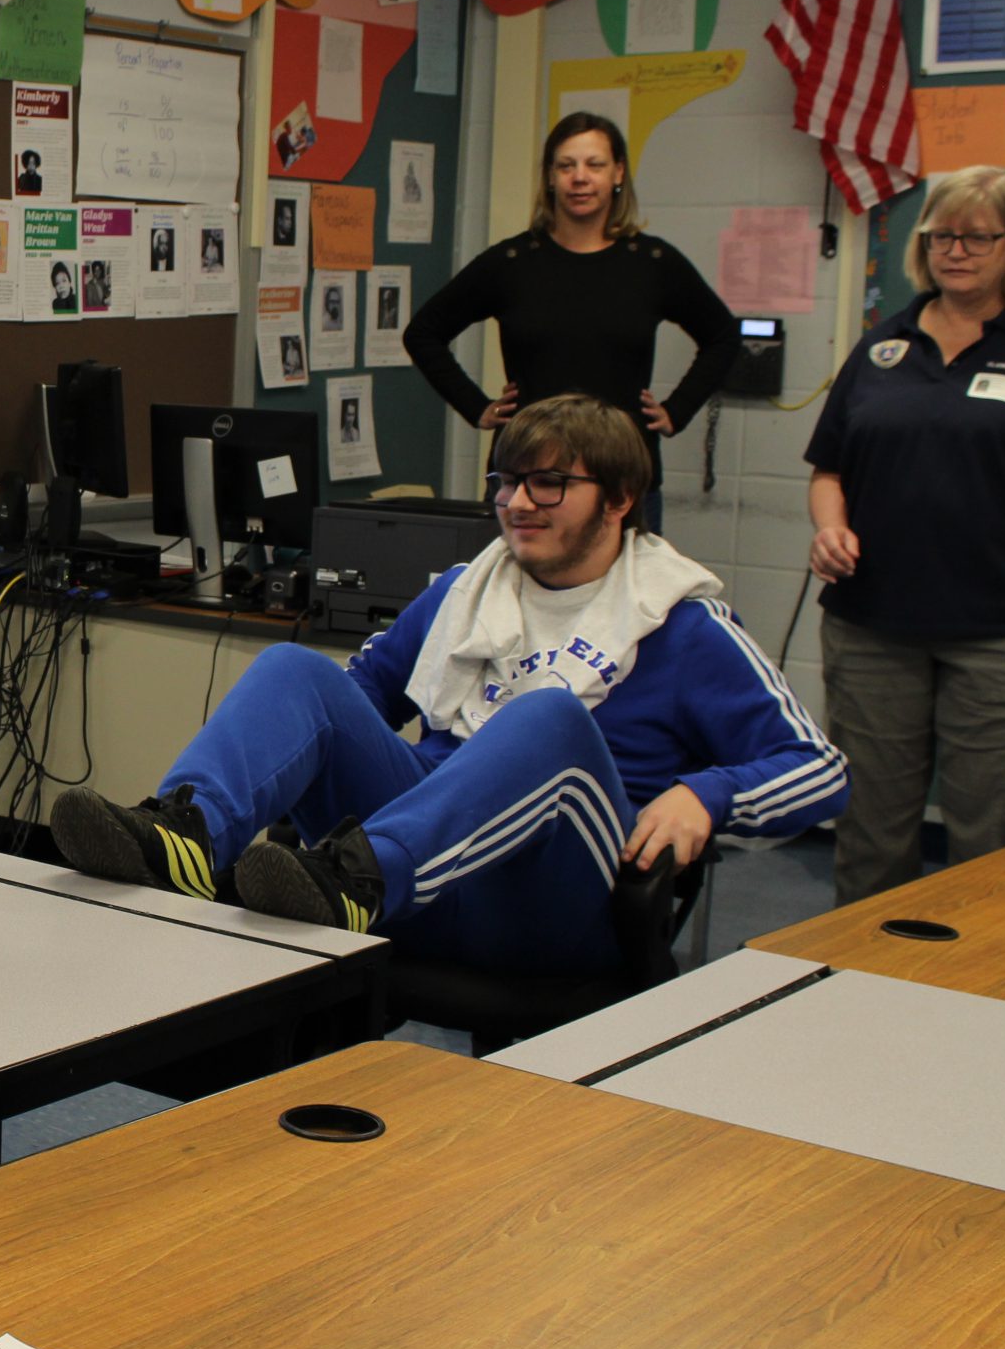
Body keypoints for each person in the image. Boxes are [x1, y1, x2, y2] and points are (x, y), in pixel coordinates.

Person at [50, 395, 845, 974]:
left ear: (620, 498)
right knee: (295, 670)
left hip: (556, 900)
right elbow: (335, 715)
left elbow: (822, 771)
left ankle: (366, 876)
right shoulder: (464, 591)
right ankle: (188, 835)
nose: (516, 504)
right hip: (419, 882)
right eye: (506, 482)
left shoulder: (679, 622)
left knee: (548, 719)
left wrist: (707, 794)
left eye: (548, 485)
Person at [805, 165, 1005, 904]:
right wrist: (830, 527)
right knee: (870, 832)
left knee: (994, 842)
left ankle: (983, 1002)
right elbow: (829, 471)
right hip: (874, 628)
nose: (958, 250)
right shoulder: (884, 347)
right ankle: (860, 989)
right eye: (943, 235)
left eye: (978, 236)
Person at [401, 112, 742, 531]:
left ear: (617, 173)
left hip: (623, 481)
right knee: (517, 596)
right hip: (527, 480)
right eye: (566, 165)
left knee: (626, 599)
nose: (579, 177)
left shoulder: (652, 263)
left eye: (594, 165)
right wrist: (477, 408)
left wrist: (678, 409)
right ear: (550, 177)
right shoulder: (512, 263)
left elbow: (723, 335)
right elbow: (423, 333)